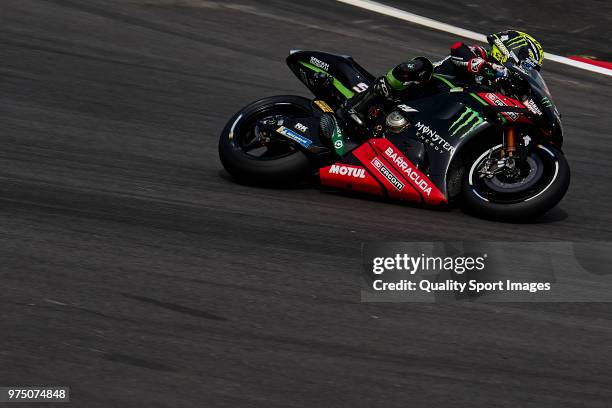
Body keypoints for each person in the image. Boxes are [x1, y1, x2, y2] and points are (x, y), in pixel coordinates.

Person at [344, 30, 544, 125]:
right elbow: (458, 50)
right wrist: (486, 67)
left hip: (437, 116)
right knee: (420, 65)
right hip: (427, 89)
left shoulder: (503, 87)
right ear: (513, 50)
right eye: (527, 62)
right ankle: (360, 103)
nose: (527, 69)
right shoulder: (481, 54)